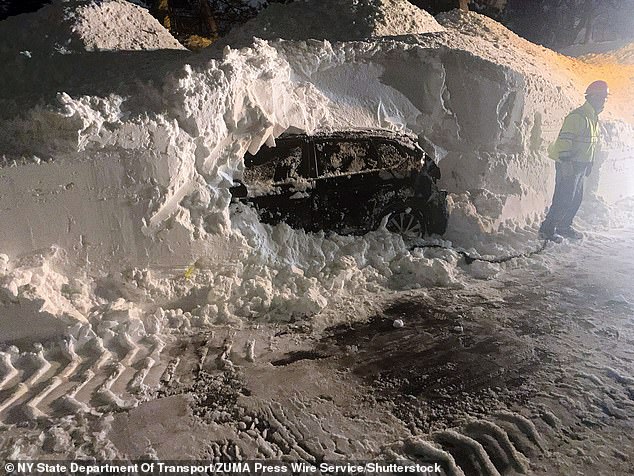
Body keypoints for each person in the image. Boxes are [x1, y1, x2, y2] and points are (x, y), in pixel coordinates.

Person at [538, 80, 608, 242]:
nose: (603, 101)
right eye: (601, 98)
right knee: (563, 197)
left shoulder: (592, 118)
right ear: (592, 97)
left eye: (605, 98)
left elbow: (589, 144)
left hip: (581, 165)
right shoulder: (578, 116)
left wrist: (589, 163)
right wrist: (566, 161)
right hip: (569, 164)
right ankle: (547, 229)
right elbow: (565, 140)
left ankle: (564, 226)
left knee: (576, 198)